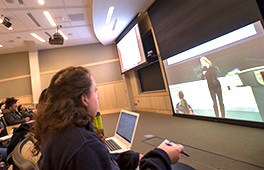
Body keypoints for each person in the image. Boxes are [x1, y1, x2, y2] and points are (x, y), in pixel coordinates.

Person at [33, 66, 184, 170]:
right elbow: (91, 155)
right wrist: (162, 156)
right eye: (95, 90)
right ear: (84, 98)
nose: (97, 95)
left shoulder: (59, 130)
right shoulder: (82, 145)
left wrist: (132, 159)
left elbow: (101, 159)